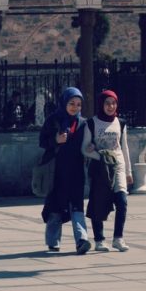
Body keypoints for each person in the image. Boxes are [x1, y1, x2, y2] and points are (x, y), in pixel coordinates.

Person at [38, 86, 91, 254]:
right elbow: (42, 141)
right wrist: (56, 140)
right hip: (57, 171)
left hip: (76, 171)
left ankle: (82, 240)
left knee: (77, 206)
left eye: (78, 104)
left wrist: (90, 149)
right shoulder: (53, 120)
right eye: (71, 103)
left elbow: (88, 144)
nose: (75, 107)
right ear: (64, 103)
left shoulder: (83, 123)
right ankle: (53, 241)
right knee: (55, 207)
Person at [83, 89, 133, 252]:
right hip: (100, 168)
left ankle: (118, 238)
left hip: (117, 166)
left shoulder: (121, 123)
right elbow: (84, 149)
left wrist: (128, 172)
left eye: (113, 103)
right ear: (101, 104)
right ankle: (99, 239)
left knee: (122, 201)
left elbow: (124, 147)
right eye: (107, 103)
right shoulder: (91, 123)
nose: (110, 106)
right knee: (98, 202)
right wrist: (99, 155)